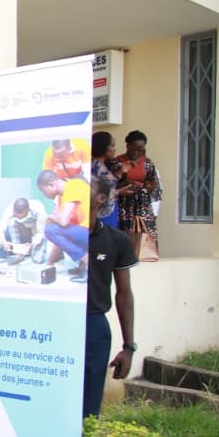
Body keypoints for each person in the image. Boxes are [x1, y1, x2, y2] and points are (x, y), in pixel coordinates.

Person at [84, 178, 136, 418]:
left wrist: (129, 347)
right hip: (55, 323)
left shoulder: (116, 241)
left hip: (93, 326)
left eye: (87, 184)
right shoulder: (54, 235)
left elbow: (124, 294)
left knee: (89, 407)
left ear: (101, 199)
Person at [37, 169, 91, 279]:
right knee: (53, 229)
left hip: (93, 233)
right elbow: (60, 238)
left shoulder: (73, 185)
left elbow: (63, 222)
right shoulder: (62, 198)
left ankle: (87, 260)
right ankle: (83, 264)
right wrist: (49, 264)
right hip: (84, 233)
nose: (44, 195)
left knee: (50, 229)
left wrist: (50, 217)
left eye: (43, 191)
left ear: (51, 185)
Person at [117, 130, 161, 258]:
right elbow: (110, 183)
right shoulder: (117, 162)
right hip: (123, 205)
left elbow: (154, 184)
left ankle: (145, 258)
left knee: (145, 235)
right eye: (134, 149)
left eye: (141, 150)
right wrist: (127, 184)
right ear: (128, 146)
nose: (137, 153)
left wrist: (142, 186)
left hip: (142, 206)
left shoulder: (148, 163)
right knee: (124, 235)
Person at [0, 197, 48, 264]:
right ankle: (18, 253)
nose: (19, 218)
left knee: (38, 260)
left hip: (37, 229)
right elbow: (0, 230)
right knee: (12, 222)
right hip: (23, 227)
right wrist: (3, 242)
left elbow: (41, 233)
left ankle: (32, 251)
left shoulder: (38, 209)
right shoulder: (9, 209)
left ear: (28, 209)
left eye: (22, 216)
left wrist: (32, 244)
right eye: (17, 216)